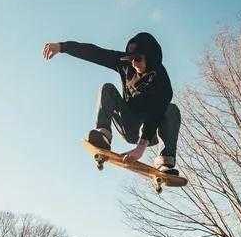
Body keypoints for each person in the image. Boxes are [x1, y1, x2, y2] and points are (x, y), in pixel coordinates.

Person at [42, 32, 181, 175]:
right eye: (131, 59)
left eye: (138, 59)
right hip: (129, 124)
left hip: (149, 132)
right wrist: (62, 47)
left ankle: (165, 161)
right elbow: (96, 53)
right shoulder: (125, 64)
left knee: (171, 109)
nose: (134, 63)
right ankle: (104, 135)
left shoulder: (162, 81)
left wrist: (140, 148)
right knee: (107, 89)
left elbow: (156, 115)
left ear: (150, 58)